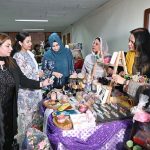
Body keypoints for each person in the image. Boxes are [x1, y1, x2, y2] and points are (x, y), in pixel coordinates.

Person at [0, 33, 52, 150]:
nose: (11, 48)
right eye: (7, 46)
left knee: (8, 139)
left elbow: (23, 79)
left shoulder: (11, 62)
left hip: (9, 111)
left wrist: (41, 84)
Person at [12, 32, 46, 147]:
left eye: (31, 41)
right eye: (28, 41)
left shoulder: (30, 54)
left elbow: (31, 71)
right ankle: (24, 147)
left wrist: (38, 73)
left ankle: (34, 146)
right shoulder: (18, 56)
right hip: (26, 96)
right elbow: (23, 78)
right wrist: (40, 81)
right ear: (20, 43)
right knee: (25, 128)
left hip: (35, 93)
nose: (31, 44)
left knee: (35, 126)